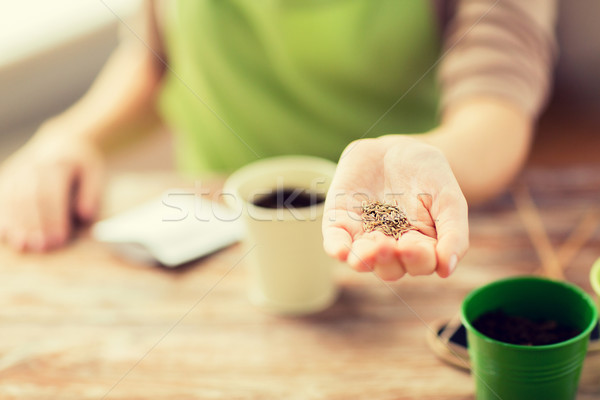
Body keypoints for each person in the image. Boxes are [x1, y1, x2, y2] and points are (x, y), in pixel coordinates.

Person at [0, 0, 557, 281]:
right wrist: (71, 133)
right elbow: (156, 54)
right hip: (212, 240)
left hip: (399, 243)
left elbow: (496, 109)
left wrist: (428, 158)